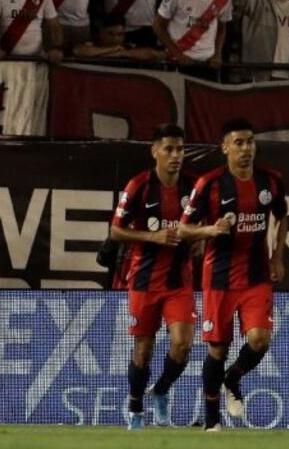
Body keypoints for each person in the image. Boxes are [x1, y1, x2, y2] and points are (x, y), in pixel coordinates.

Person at [179, 117, 288, 432]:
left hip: (256, 275)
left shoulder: (271, 181)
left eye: (250, 142)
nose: (246, 149)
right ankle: (212, 419)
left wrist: (278, 255)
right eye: (238, 143)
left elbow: (282, 217)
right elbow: (184, 228)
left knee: (260, 339)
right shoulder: (209, 184)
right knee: (218, 348)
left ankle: (234, 376)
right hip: (220, 277)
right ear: (225, 147)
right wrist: (210, 229)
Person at [111, 123, 197, 430]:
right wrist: (153, 237)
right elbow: (116, 230)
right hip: (144, 279)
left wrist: (199, 240)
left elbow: (202, 225)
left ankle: (161, 390)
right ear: (155, 151)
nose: (176, 155)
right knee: (144, 350)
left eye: (180, 149)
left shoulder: (193, 187)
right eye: (169, 149)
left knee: (182, 344)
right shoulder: (139, 186)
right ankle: (135, 407)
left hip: (179, 281)